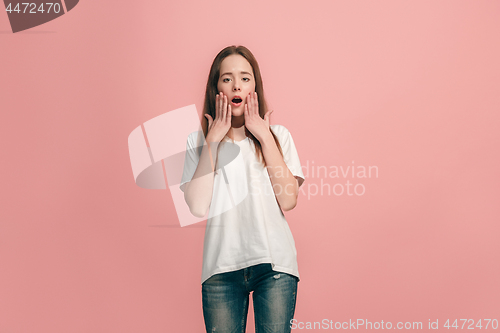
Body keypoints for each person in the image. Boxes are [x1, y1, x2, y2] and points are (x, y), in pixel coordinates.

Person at [180, 45, 305, 333]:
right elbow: (197, 206)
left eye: (245, 78)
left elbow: (288, 199)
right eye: (227, 78)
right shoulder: (197, 142)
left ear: (255, 87)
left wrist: (262, 134)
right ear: (216, 88)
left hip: (274, 267)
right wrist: (213, 139)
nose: (237, 84)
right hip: (220, 271)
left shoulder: (278, 136)